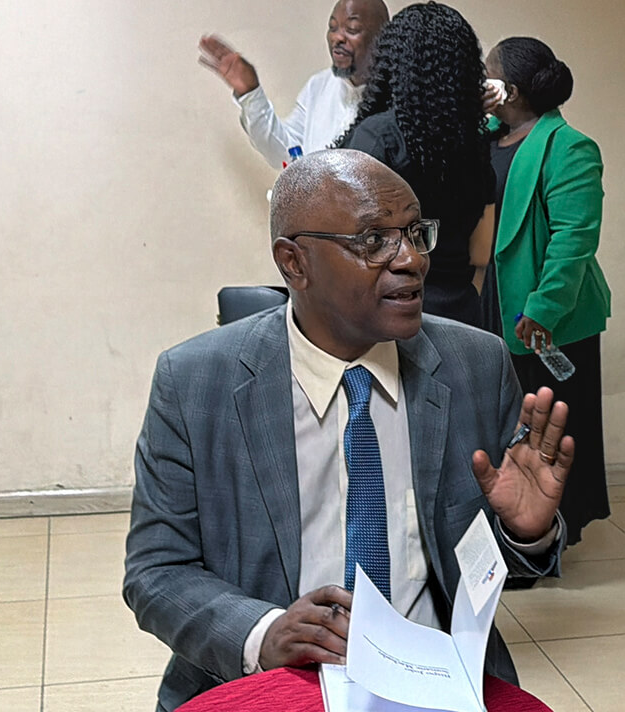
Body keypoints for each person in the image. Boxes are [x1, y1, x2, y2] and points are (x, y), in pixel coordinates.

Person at [124, 150, 574, 712]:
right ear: (294, 263)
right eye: (373, 241)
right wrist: (267, 633)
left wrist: (526, 535)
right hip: (273, 684)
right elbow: (156, 571)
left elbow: (496, 570)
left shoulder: (474, 365)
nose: (410, 259)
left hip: (436, 673)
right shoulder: (195, 382)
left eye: (414, 233)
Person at [480, 37, 612, 547]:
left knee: (553, 421)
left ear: (510, 89)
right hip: (492, 296)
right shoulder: (490, 137)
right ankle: (512, 521)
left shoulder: (569, 146)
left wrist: (544, 309)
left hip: (545, 311)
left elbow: (574, 237)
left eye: (488, 75)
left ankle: (558, 529)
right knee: (508, 417)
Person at [336, 2, 495, 328]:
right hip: (463, 311)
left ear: (393, 62)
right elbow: (481, 252)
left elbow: (350, 237)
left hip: (397, 310)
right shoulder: (476, 143)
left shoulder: (378, 136)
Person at [199, 0, 389, 168]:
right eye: (332, 28)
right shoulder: (319, 86)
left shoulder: (400, 96)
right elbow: (287, 155)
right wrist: (250, 93)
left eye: (352, 29)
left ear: (382, 37)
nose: (337, 37)